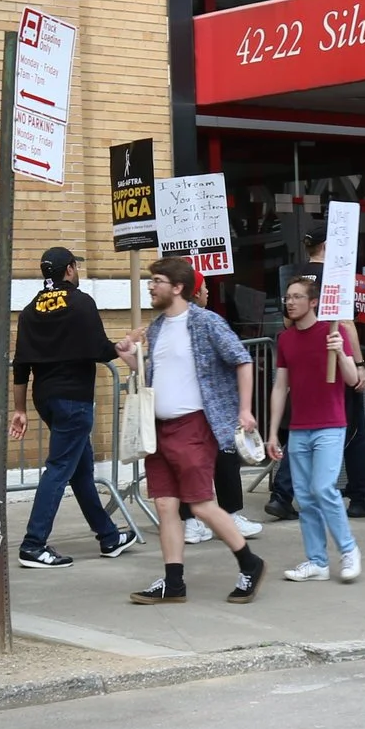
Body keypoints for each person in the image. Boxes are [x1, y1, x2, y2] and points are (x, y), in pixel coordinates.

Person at [126, 257, 266, 604]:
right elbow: (153, 375)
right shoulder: (156, 328)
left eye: (157, 280)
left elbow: (242, 360)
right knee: (165, 504)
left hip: (194, 425)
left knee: (200, 503)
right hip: (159, 429)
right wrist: (130, 357)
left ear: (177, 287)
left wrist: (245, 410)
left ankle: (250, 563)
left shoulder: (206, 322)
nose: (151, 285)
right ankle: (174, 582)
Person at [11, 247, 135, 567]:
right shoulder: (81, 303)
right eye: (76, 267)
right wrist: (120, 347)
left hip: (45, 399)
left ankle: (108, 536)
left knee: (81, 470)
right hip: (74, 400)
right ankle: (33, 544)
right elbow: (98, 350)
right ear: (69, 269)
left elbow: (21, 365)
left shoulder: (29, 310)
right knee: (59, 469)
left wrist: (20, 409)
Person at [265, 276, 363, 581]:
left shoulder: (334, 332)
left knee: (323, 489)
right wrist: (272, 432)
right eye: (287, 297)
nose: (290, 302)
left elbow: (352, 380)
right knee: (305, 497)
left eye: (296, 297)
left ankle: (349, 550)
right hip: (298, 428)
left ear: (313, 301)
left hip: (330, 425)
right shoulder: (286, 339)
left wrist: (342, 353)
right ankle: (317, 561)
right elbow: (280, 387)